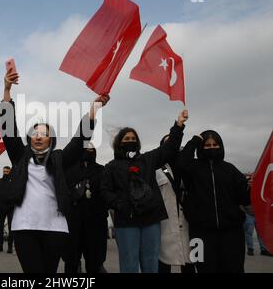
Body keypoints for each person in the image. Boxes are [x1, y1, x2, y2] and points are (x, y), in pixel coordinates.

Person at [0, 69, 109, 273]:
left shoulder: (60, 159)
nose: (39, 136)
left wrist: (94, 109)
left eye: (44, 133)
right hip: (24, 228)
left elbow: (79, 141)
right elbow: (8, 130)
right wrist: (6, 90)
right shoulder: (20, 156)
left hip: (55, 228)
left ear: (51, 139)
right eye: (35, 133)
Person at [100, 110, 188, 273]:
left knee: (151, 262)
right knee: (129, 263)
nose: (130, 141)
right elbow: (105, 192)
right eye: (126, 139)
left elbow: (169, 149)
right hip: (126, 221)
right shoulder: (111, 166)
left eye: (133, 139)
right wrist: (121, 205)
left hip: (151, 220)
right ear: (119, 143)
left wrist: (179, 125)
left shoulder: (147, 160)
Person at [177, 130, 250, 272]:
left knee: (234, 268)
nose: (211, 147)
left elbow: (244, 196)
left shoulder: (230, 169)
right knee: (204, 269)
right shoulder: (192, 168)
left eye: (215, 144)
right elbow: (180, 163)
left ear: (220, 146)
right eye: (207, 145)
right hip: (200, 232)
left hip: (232, 232)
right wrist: (194, 141)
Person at [63, 143, 108, 273]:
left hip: (96, 222)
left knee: (95, 261)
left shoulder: (102, 170)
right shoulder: (69, 171)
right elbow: (63, 191)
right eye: (85, 147)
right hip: (73, 222)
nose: (89, 149)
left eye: (91, 148)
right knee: (71, 261)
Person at [156, 135, 194, 273]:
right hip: (165, 223)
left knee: (191, 261)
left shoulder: (190, 166)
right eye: (168, 142)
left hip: (188, 221)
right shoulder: (155, 169)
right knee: (163, 261)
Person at [0, 166, 14, 253]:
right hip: (1, 208)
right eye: (4, 171)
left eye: (7, 171)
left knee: (11, 227)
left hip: (11, 208)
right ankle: (0, 246)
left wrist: (12, 204)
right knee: (0, 227)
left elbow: (15, 194)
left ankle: (9, 247)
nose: (5, 173)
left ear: (10, 172)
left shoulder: (13, 182)